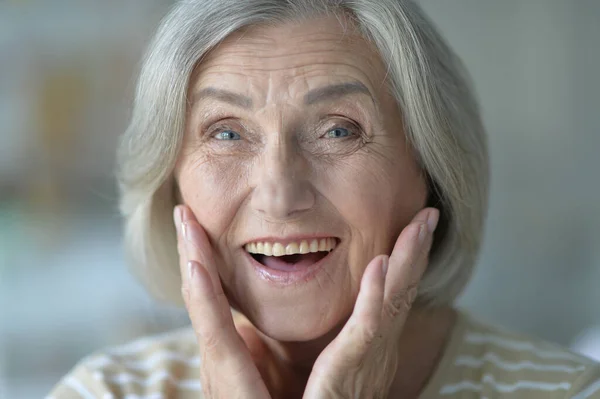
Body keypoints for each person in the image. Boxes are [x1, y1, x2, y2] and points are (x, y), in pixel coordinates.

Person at [49, 0, 600, 398]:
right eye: (225, 132)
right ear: (172, 183)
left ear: (432, 170)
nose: (280, 195)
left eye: (338, 130)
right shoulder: (105, 391)